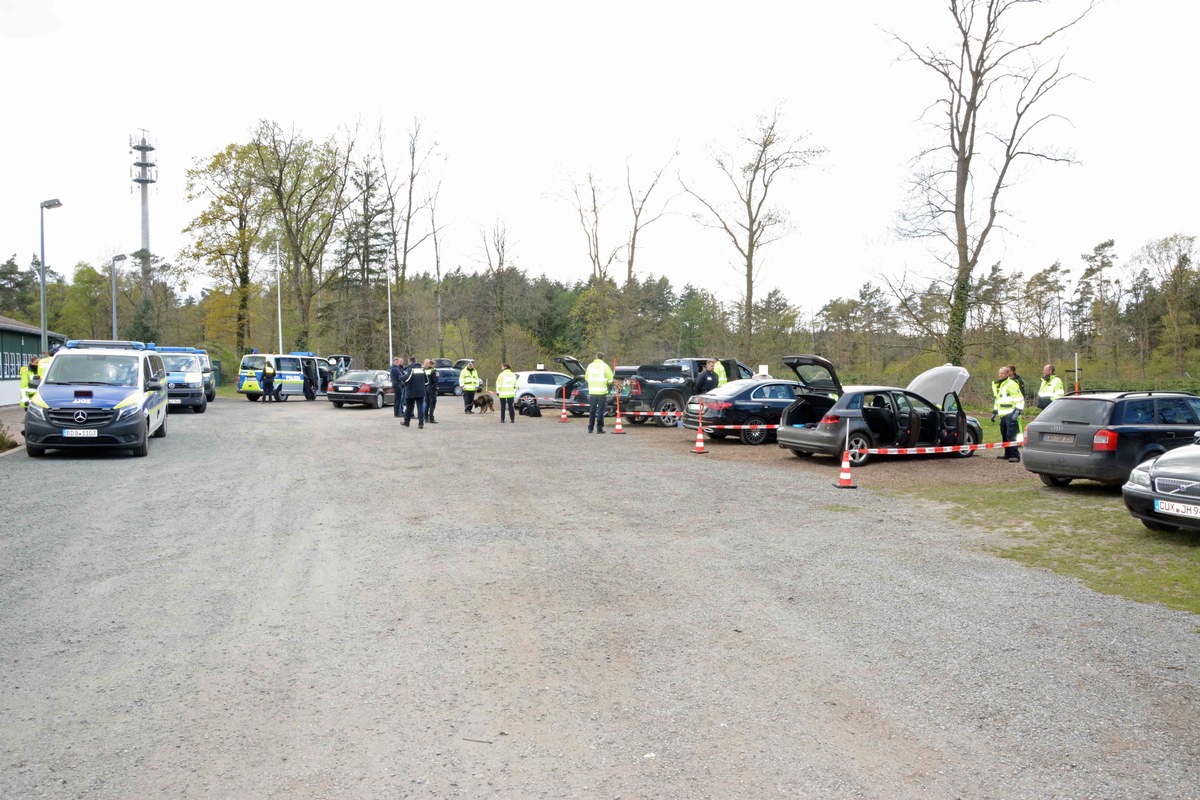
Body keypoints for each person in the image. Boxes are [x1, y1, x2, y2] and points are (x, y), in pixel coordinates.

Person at [992, 365, 1024, 462]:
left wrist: (1017, 411)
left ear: (1007, 374)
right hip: (1003, 414)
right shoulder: (999, 385)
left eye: (1002, 373)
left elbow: (1019, 398)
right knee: (1004, 434)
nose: (1000, 375)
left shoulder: (1011, 384)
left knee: (1011, 435)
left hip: (1011, 412)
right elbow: (998, 400)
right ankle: (1007, 453)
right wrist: (995, 412)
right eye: (999, 373)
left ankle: (1015, 455)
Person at [585, 351, 614, 434]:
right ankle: (599, 428)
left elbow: (586, 378)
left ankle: (590, 428)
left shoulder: (590, 366)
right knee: (601, 410)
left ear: (596, 356)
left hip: (592, 391)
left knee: (592, 410)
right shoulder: (605, 366)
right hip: (602, 392)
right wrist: (607, 383)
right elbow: (610, 379)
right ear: (602, 357)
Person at [403, 356, 427, 428]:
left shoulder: (409, 369)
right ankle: (421, 423)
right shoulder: (422, 369)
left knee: (409, 407)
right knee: (420, 407)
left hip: (411, 391)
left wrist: (399, 376)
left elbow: (406, 379)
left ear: (410, 362)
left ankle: (406, 422)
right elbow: (426, 381)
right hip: (420, 392)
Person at [423, 359, 440, 423]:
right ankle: (431, 418)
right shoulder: (434, 371)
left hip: (426, 387)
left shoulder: (425, 370)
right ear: (433, 364)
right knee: (432, 403)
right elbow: (435, 381)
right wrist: (437, 377)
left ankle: (426, 418)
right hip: (432, 388)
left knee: (427, 403)